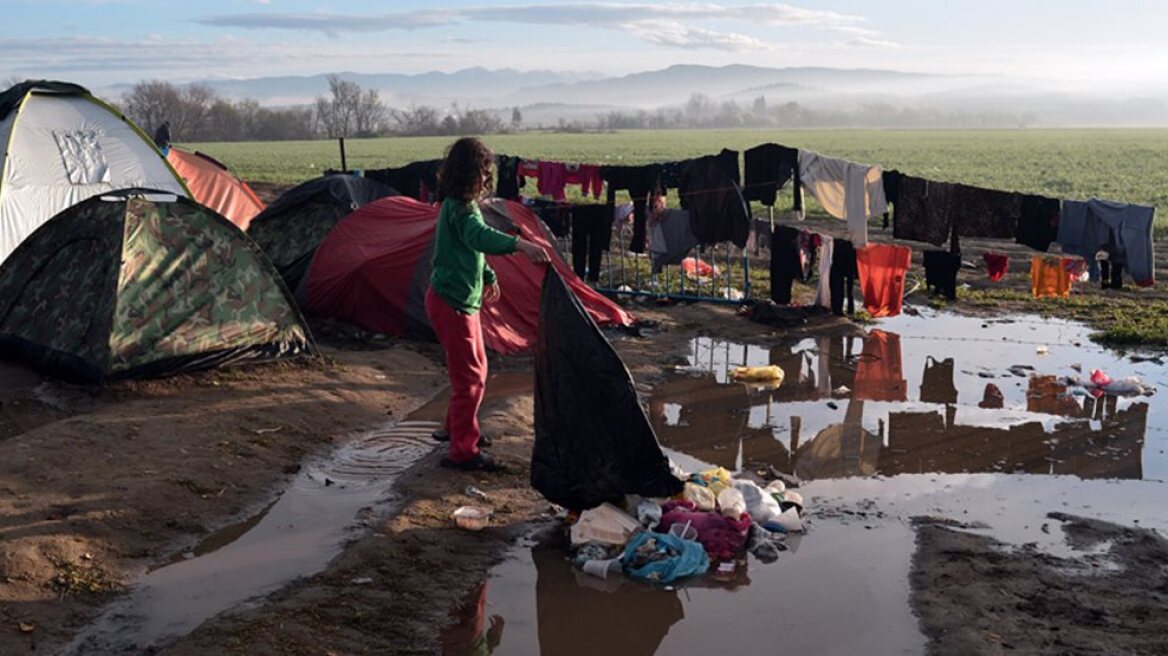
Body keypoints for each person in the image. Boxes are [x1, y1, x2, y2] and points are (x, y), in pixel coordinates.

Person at [427, 136, 550, 472]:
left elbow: (471, 250)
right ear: (471, 172)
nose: (486, 178)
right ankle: (462, 452)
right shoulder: (462, 209)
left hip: (455, 300)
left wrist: (489, 276)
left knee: (476, 370)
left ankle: (455, 429)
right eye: (483, 171)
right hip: (452, 303)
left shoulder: (458, 204)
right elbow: (477, 238)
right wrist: (521, 245)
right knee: (469, 378)